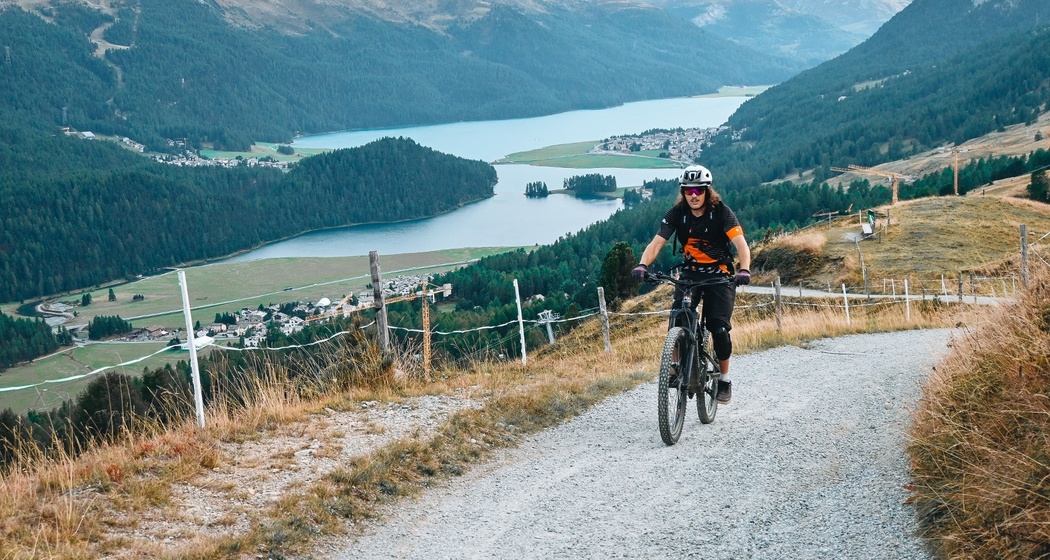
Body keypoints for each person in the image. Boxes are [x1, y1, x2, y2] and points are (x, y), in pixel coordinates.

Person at [631, 165, 751, 404]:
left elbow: (741, 244)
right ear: (683, 192)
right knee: (677, 315)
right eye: (688, 190)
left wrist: (744, 269)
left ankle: (724, 379)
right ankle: (676, 366)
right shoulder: (677, 213)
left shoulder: (722, 213)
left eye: (698, 190)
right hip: (691, 274)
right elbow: (657, 243)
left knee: (719, 328)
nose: (693, 195)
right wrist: (643, 264)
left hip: (720, 275)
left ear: (707, 190)